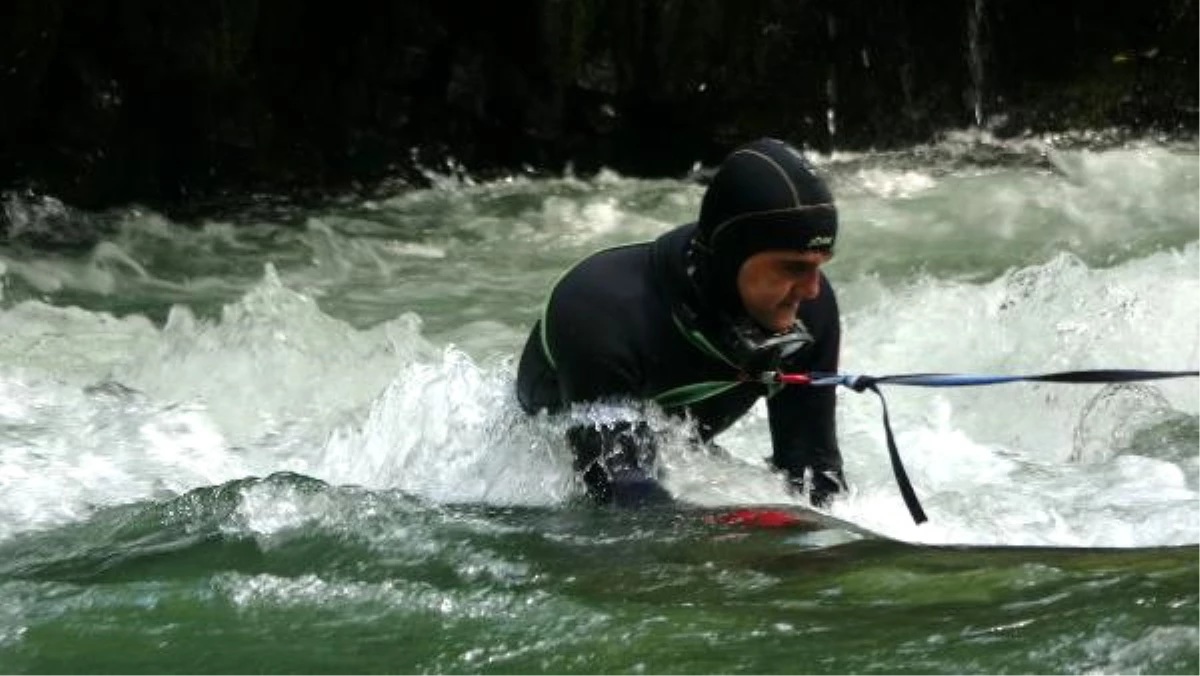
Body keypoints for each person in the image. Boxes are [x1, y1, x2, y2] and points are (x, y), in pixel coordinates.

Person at [516, 137, 845, 508]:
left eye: (820, 265)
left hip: (672, 454)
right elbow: (618, 490)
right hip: (538, 475)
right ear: (731, 256)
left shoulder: (809, 312)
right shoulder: (600, 309)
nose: (813, 289)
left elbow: (815, 477)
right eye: (793, 267)